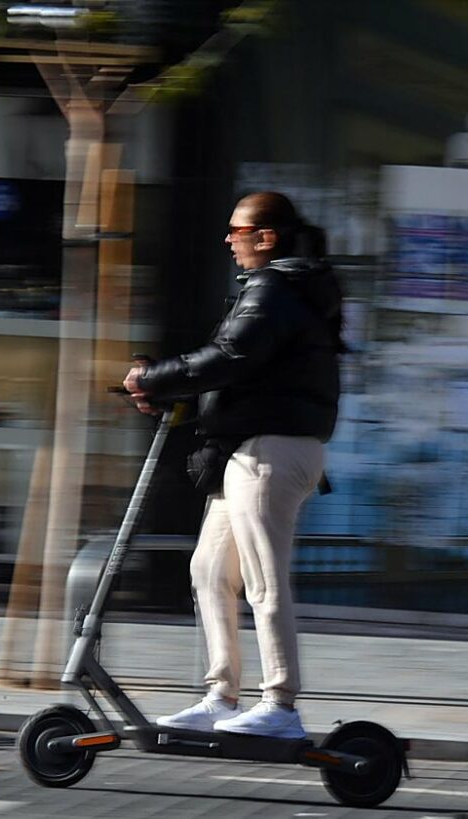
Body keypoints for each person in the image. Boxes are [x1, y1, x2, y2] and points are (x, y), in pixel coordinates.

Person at [123, 191, 344, 740]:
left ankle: (280, 706)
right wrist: (165, 381)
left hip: (270, 451)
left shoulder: (275, 287)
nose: (229, 240)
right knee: (208, 571)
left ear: (265, 236)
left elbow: (230, 357)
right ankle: (222, 695)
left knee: (262, 581)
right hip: (250, 450)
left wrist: (153, 378)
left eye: (237, 230)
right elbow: (239, 365)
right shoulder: (286, 289)